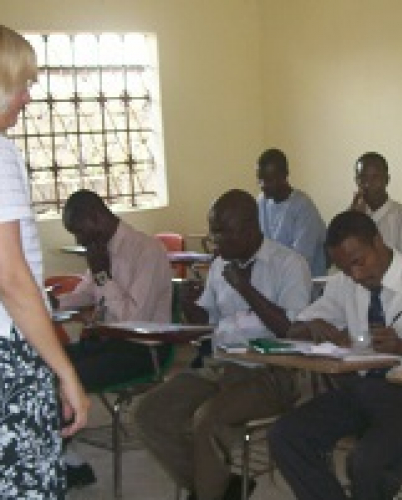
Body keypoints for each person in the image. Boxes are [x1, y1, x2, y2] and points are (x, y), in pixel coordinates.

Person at [268, 210, 402, 500]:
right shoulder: (345, 283)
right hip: (365, 388)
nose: (356, 275)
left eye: (358, 262)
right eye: (344, 269)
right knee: (286, 435)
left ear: (378, 243)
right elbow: (296, 329)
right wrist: (313, 326)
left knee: (367, 462)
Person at [134, 189, 312, 500]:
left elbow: (292, 332)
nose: (214, 239)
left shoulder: (290, 265)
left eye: (222, 231)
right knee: (147, 413)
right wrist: (192, 307)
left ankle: (210, 491)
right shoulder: (220, 265)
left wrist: (245, 288)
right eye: (212, 229)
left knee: (208, 420)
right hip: (219, 364)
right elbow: (210, 320)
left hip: (271, 373)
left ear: (250, 228)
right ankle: (220, 487)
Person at [0, 25, 89, 498]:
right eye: (23, 85)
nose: (28, 99)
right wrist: (64, 370)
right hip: (9, 355)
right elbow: (12, 280)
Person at [51, 188, 173, 487]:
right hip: (107, 343)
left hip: (142, 350)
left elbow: (134, 318)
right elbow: (85, 295)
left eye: (79, 231)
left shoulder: (147, 250)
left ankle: (62, 459)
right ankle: (64, 455)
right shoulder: (99, 249)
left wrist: (103, 275)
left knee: (70, 376)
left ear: (96, 217)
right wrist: (53, 303)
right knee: (45, 364)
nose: (78, 241)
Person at [257, 148, 327, 276]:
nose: (262, 185)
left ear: (284, 175)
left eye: (268, 180)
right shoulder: (262, 202)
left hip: (305, 282)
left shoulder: (303, 207)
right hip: (274, 278)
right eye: (260, 179)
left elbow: (301, 261)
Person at [351, 152, 402, 255]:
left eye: (375, 177)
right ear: (356, 181)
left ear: (387, 180)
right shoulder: (351, 218)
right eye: (362, 178)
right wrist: (352, 220)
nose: (367, 184)